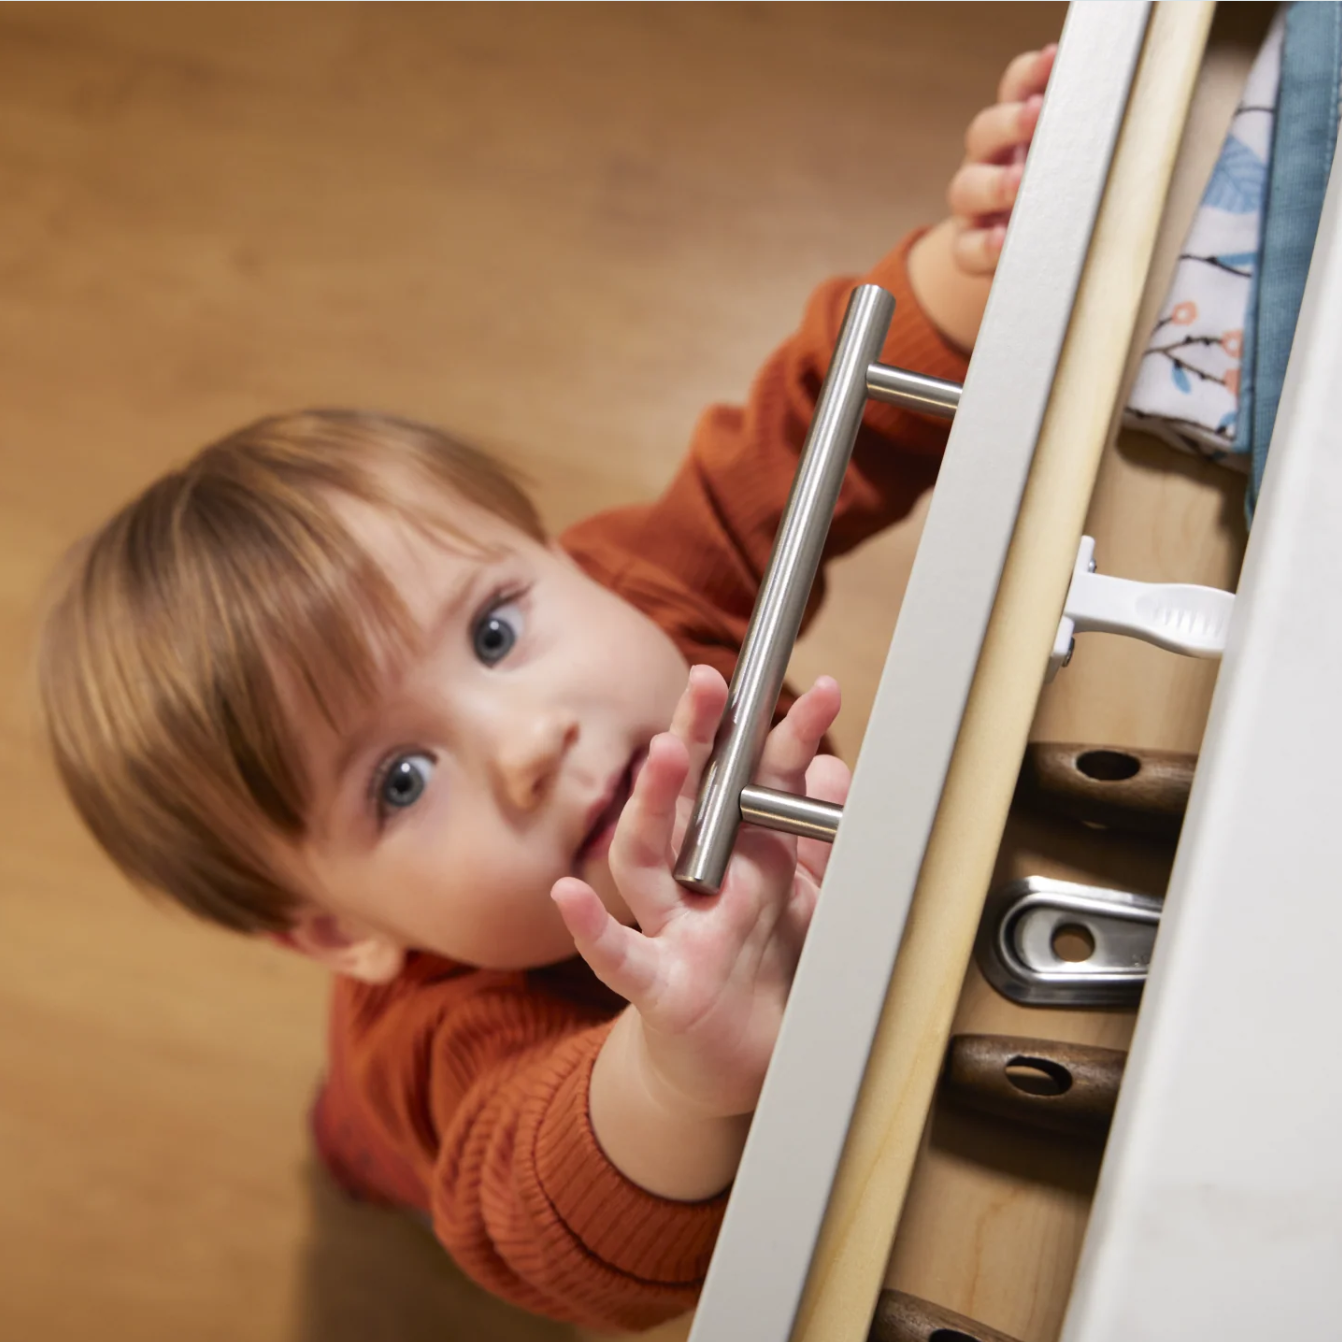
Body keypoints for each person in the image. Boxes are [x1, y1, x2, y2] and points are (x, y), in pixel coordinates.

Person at [37, 46, 1054, 1332]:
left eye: (498, 630)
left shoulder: (637, 589)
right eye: (398, 780)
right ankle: (348, 1156)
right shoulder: (441, 1031)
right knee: (382, 1158)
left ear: (551, 557)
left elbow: (814, 424)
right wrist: (674, 1071)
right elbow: (539, 1214)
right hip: (458, 1126)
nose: (528, 739)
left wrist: (965, 273)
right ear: (334, 931)